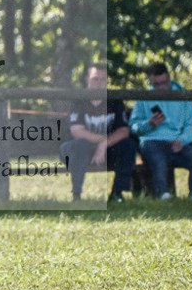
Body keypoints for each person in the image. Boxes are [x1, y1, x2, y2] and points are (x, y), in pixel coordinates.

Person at [59, 63, 137, 202]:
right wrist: (103, 140)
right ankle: (76, 195)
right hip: (76, 152)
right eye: (95, 79)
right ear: (87, 79)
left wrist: (103, 145)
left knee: (128, 144)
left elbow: (124, 131)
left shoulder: (114, 101)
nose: (99, 83)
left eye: (103, 79)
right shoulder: (78, 100)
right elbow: (77, 131)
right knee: (80, 144)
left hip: (106, 152)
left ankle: (117, 194)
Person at [128, 62, 192, 201]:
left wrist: (182, 140)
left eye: (163, 83)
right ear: (151, 82)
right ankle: (163, 194)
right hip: (152, 141)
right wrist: (149, 124)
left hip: (177, 141)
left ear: (169, 77)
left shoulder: (183, 96)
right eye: (156, 85)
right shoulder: (144, 98)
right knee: (158, 159)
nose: (161, 88)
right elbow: (133, 126)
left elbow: (190, 125)